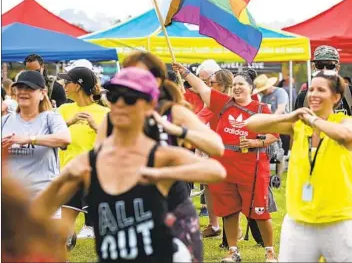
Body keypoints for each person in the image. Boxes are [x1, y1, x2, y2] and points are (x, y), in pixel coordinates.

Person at [31, 68, 227, 263]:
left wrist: (157, 173)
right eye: (115, 97)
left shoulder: (157, 154)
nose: (120, 104)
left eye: (130, 99)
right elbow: (36, 212)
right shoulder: (93, 158)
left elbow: (216, 170)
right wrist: (64, 179)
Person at [95, 51, 224, 263]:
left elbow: (216, 147)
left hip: (172, 207)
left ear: (156, 80)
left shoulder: (172, 111)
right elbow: (98, 160)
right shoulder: (113, 117)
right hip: (129, 211)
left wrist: (177, 130)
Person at [246, 71, 352, 262]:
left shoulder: (344, 121)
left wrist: (313, 120)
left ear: (336, 97)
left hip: (339, 220)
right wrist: (290, 116)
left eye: (320, 90)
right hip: (299, 220)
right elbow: (251, 124)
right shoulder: (298, 125)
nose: (313, 94)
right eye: (311, 89)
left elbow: (347, 135)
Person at [173, 63, 279, 262]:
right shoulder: (223, 103)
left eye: (242, 84)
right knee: (229, 211)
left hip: (253, 169)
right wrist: (185, 72)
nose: (237, 87)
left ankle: (270, 251)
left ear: (251, 88)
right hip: (224, 168)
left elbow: (274, 134)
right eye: (235, 84)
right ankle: (233, 251)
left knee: (259, 212)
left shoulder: (261, 108)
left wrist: (257, 141)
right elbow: (203, 88)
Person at [56, 66, 110, 246]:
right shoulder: (63, 110)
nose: (63, 85)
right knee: (62, 231)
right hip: (68, 175)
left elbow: (117, 142)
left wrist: (97, 127)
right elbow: (49, 135)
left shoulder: (104, 113)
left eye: (67, 82)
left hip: (95, 178)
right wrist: (68, 123)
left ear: (78, 86)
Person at [1, 71, 70, 208]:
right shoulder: (5, 120)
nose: (23, 92)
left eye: (29, 88)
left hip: (43, 200)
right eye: (19, 88)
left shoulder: (51, 118)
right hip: (11, 201)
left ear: (42, 93)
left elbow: (64, 139)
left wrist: (29, 139)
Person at [197, 69, 233, 239]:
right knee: (210, 188)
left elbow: (199, 120)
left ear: (223, 86)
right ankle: (217, 226)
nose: (208, 86)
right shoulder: (226, 100)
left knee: (220, 189)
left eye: (211, 83)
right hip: (217, 148)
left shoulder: (219, 101)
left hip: (221, 150)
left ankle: (226, 228)